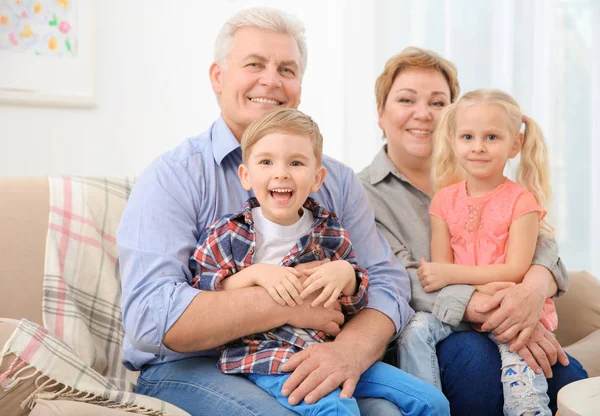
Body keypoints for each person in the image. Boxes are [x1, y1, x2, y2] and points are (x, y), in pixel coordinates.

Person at [118, 8, 414, 416]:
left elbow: (387, 283)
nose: (271, 80)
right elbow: (152, 318)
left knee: (389, 413)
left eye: (287, 70)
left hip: (305, 353)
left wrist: (350, 350)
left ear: (299, 87)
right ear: (218, 77)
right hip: (190, 366)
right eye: (254, 64)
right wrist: (291, 305)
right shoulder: (174, 176)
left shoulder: (336, 181)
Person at [357, 47, 588, 416]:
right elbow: (399, 279)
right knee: (476, 360)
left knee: (570, 378)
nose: (423, 114)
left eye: (437, 102)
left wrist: (533, 287)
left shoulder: (486, 177)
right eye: (406, 99)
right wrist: (479, 304)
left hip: (509, 311)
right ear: (381, 114)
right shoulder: (360, 194)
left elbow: (541, 242)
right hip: (437, 335)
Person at [189, 107, 449, 415]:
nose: (281, 172)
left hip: (328, 350)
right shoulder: (228, 233)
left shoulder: (328, 227)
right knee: (338, 410)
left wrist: (346, 275)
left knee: (432, 402)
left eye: (296, 163)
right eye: (266, 162)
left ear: (317, 178)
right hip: (268, 357)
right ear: (246, 175)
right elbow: (203, 293)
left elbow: (353, 303)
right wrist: (255, 275)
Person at [411, 89, 559, 416]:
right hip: (466, 311)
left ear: (515, 145)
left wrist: (454, 276)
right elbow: (442, 278)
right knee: (415, 332)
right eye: (468, 136)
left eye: (491, 137)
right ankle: (426, 408)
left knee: (521, 385)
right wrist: (467, 282)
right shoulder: (443, 202)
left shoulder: (522, 202)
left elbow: (516, 270)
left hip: (511, 311)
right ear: (453, 141)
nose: (478, 146)